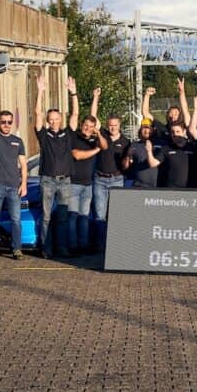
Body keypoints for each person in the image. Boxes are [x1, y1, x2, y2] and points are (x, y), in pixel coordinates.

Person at [0, 84, 27, 260]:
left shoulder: (18, 141)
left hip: (14, 186)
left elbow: (23, 164)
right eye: (3, 122)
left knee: (16, 220)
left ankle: (16, 249)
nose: (7, 125)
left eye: (9, 122)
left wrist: (23, 183)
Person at [34, 74, 75, 258]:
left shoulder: (67, 134)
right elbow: (37, 114)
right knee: (46, 217)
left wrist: (73, 93)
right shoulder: (44, 135)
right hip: (47, 180)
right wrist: (40, 92)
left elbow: (75, 115)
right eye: (50, 119)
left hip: (65, 181)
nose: (53, 122)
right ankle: (46, 248)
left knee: (63, 218)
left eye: (56, 119)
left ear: (60, 119)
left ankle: (63, 248)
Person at [92, 87, 129, 252]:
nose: (113, 128)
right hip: (100, 180)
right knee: (99, 216)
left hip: (117, 180)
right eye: (110, 125)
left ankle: (115, 246)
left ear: (119, 126)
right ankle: (100, 247)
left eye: (115, 125)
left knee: (116, 216)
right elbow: (93, 118)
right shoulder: (103, 136)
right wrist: (95, 97)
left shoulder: (126, 142)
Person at [70, 114, 106, 254]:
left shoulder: (94, 139)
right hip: (73, 183)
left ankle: (83, 245)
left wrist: (99, 134)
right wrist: (96, 150)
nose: (88, 129)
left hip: (88, 185)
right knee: (72, 216)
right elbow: (77, 155)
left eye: (91, 127)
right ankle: (73, 246)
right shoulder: (74, 137)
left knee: (84, 217)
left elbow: (105, 145)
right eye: (86, 125)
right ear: (81, 124)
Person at [127, 119, 161, 188]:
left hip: (157, 187)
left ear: (153, 130)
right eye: (144, 128)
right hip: (138, 186)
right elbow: (129, 163)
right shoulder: (134, 145)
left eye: (148, 128)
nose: (146, 131)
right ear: (140, 130)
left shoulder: (160, 144)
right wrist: (128, 157)